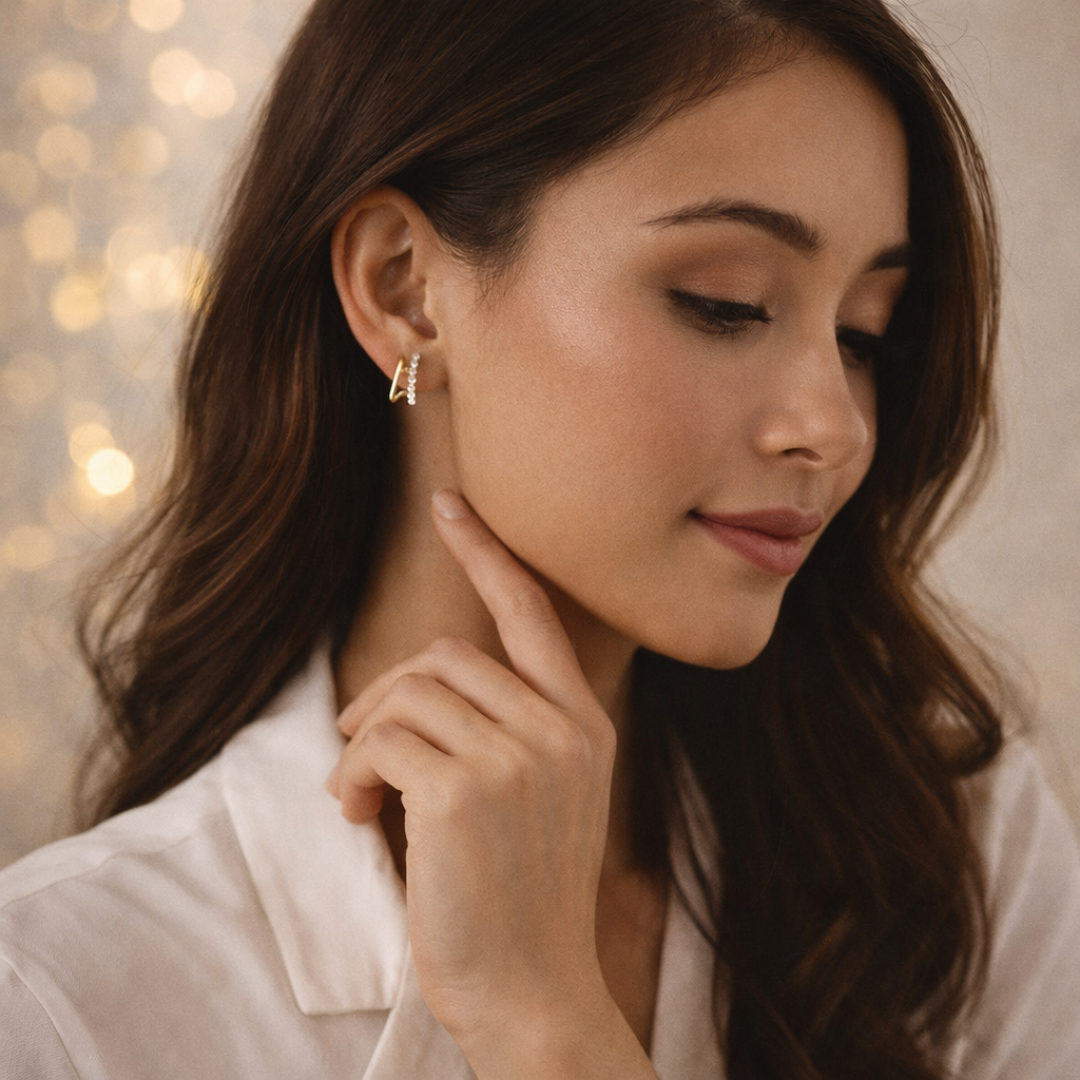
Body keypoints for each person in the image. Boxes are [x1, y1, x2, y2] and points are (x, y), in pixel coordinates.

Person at [2, 0, 1079, 1077]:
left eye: (860, 334)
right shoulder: (61, 995)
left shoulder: (955, 849)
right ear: (405, 291)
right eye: (727, 304)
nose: (834, 427)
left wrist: (552, 1028)